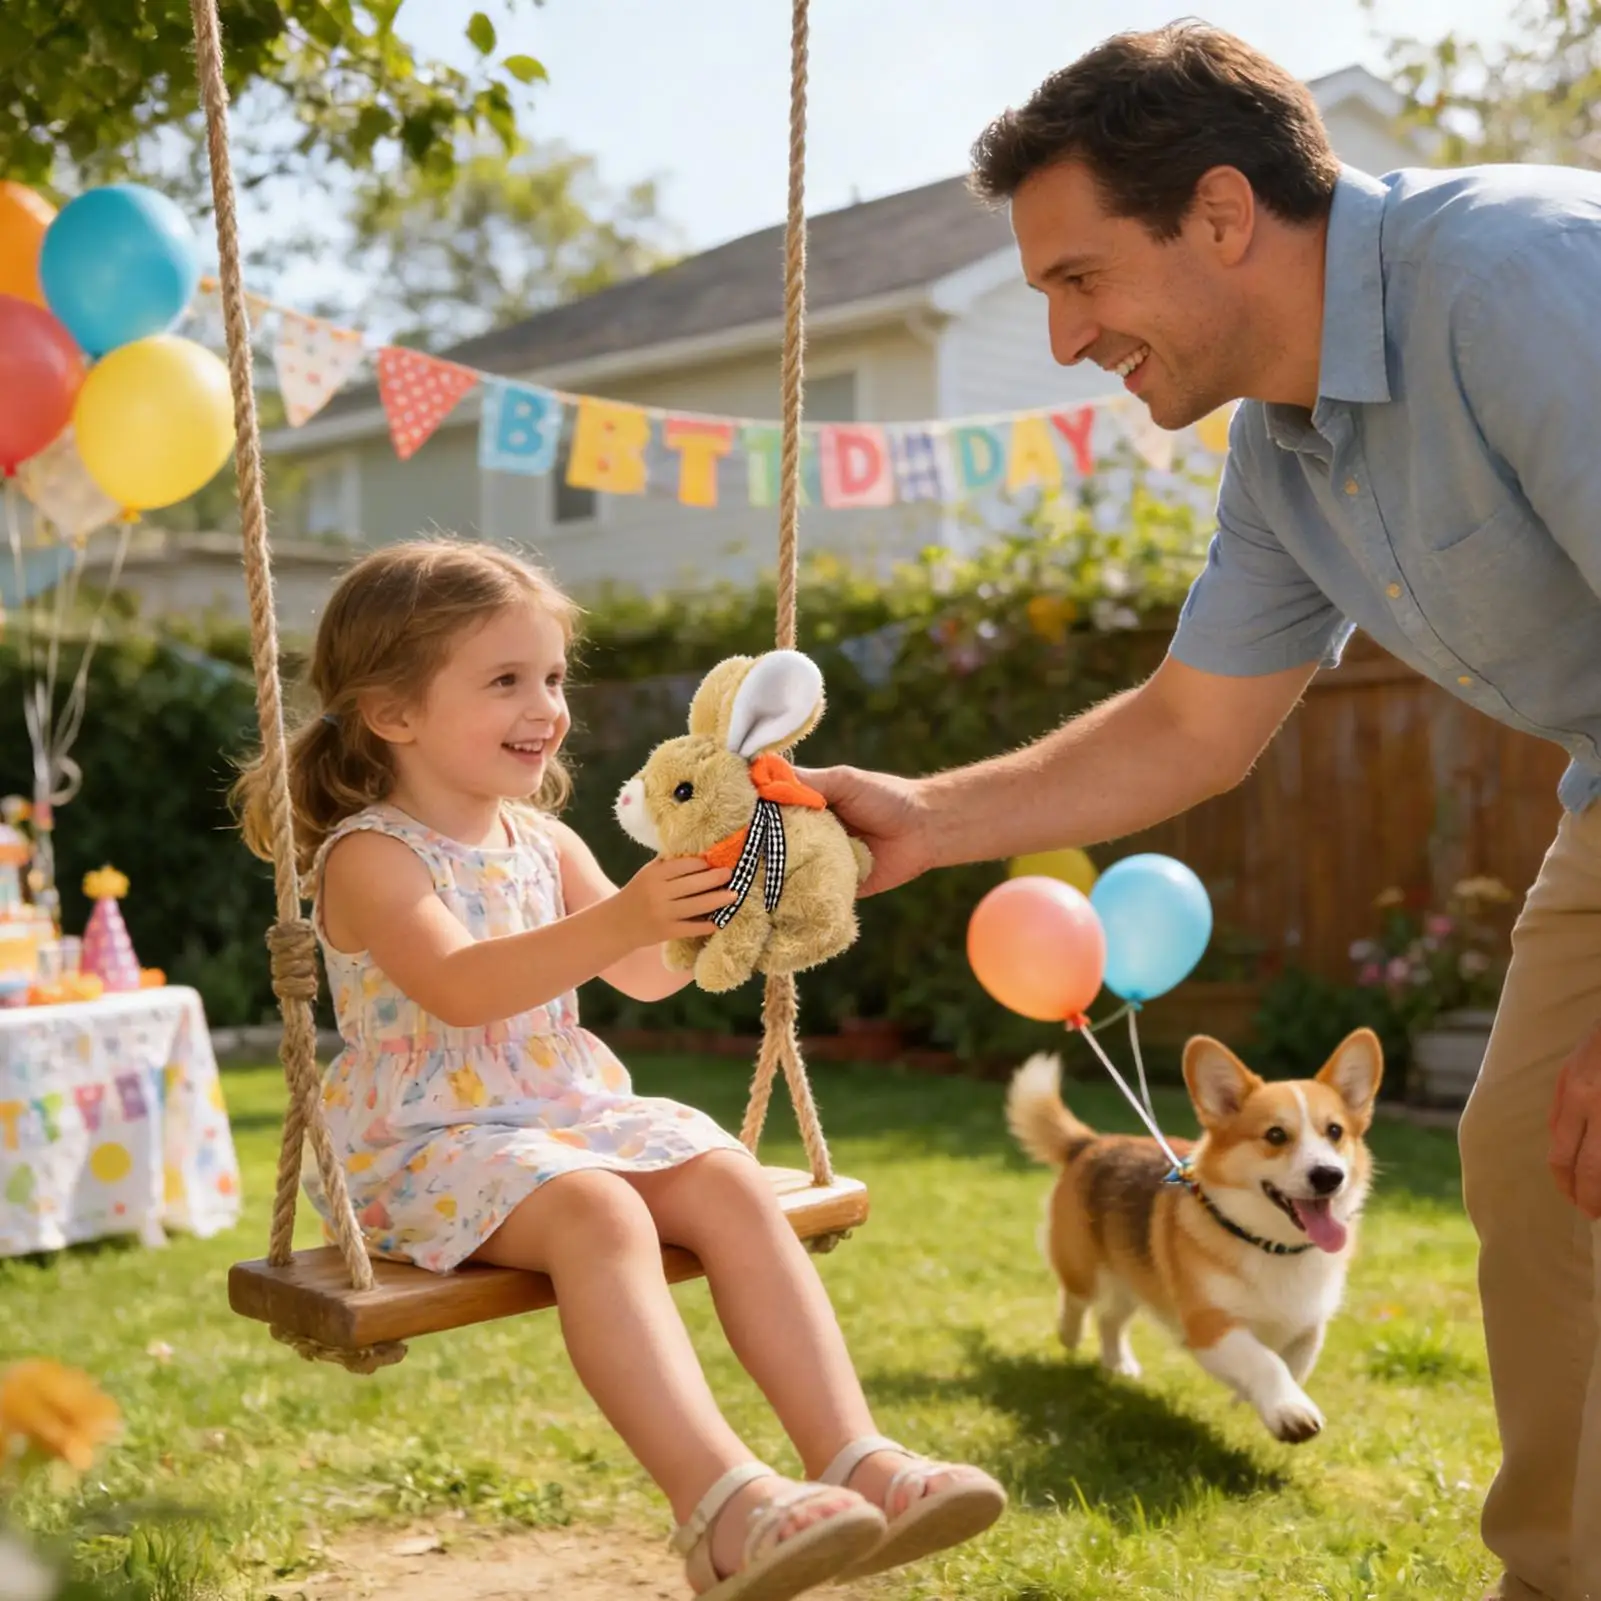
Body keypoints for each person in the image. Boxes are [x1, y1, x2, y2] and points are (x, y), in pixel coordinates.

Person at [805, 24, 1601, 1601]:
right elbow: (1189, 725)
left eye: (1080, 279)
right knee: (1538, 1158)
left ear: (1223, 216)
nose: (1059, 337)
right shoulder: (1284, 451)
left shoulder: (1518, 280)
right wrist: (919, 816)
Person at [232, 538, 1005, 1601]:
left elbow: (642, 971)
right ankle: (720, 1505)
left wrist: (721, 889)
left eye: (550, 676)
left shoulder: (539, 840)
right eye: (504, 679)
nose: (544, 704)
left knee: (728, 1177)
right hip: (420, 1141)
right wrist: (622, 912)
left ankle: (856, 1454)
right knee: (599, 1213)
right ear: (391, 712)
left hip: (553, 1114)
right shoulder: (371, 853)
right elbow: (459, 986)